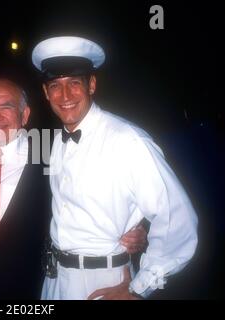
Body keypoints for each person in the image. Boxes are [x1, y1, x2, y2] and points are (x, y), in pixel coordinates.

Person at [31, 36, 198, 299]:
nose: (65, 95)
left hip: (104, 283)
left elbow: (179, 220)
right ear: (45, 92)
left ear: (92, 85)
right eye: (55, 85)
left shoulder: (128, 140)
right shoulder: (54, 142)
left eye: (74, 83)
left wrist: (139, 288)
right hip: (55, 280)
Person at [0, 78, 146, 299]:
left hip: (28, 293)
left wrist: (135, 227)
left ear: (24, 115)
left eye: (7, 107)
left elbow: (100, 195)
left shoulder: (53, 154)